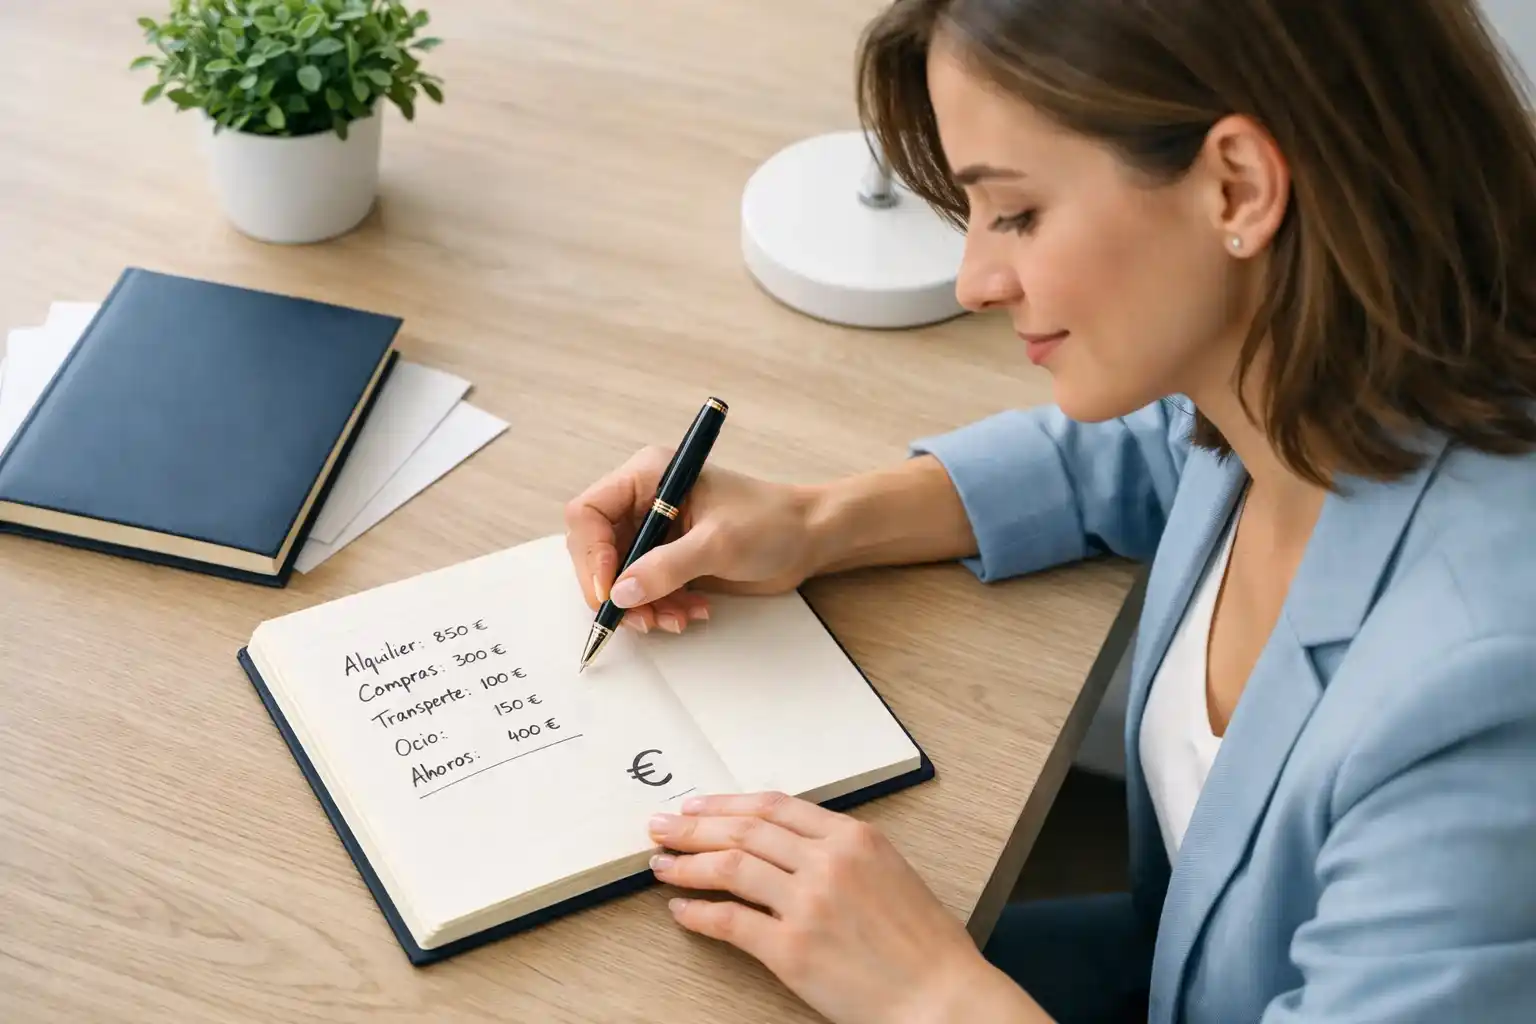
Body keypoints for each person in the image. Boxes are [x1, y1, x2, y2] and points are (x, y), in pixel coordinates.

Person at [563, 0, 1536, 1021]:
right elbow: (1154, 448)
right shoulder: (1296, 385)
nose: (977, 280)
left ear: (1237, 186)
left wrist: (931, 994)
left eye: (1017, 213)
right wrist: (818, 519)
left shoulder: (1482, 693)